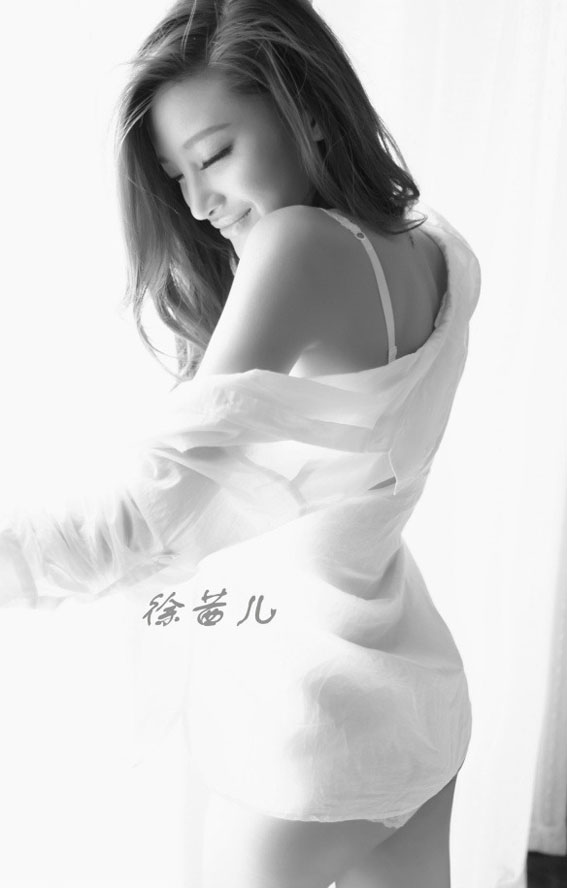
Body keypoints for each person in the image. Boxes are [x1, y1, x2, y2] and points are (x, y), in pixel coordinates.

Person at [0, 0, 481, 886]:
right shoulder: (435, 246)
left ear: (307, 108)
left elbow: (142, 514)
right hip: (413, 689)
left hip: (305, 725)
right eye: (176, 175)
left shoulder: (298, 245)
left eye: (215, 153)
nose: (196, 203)